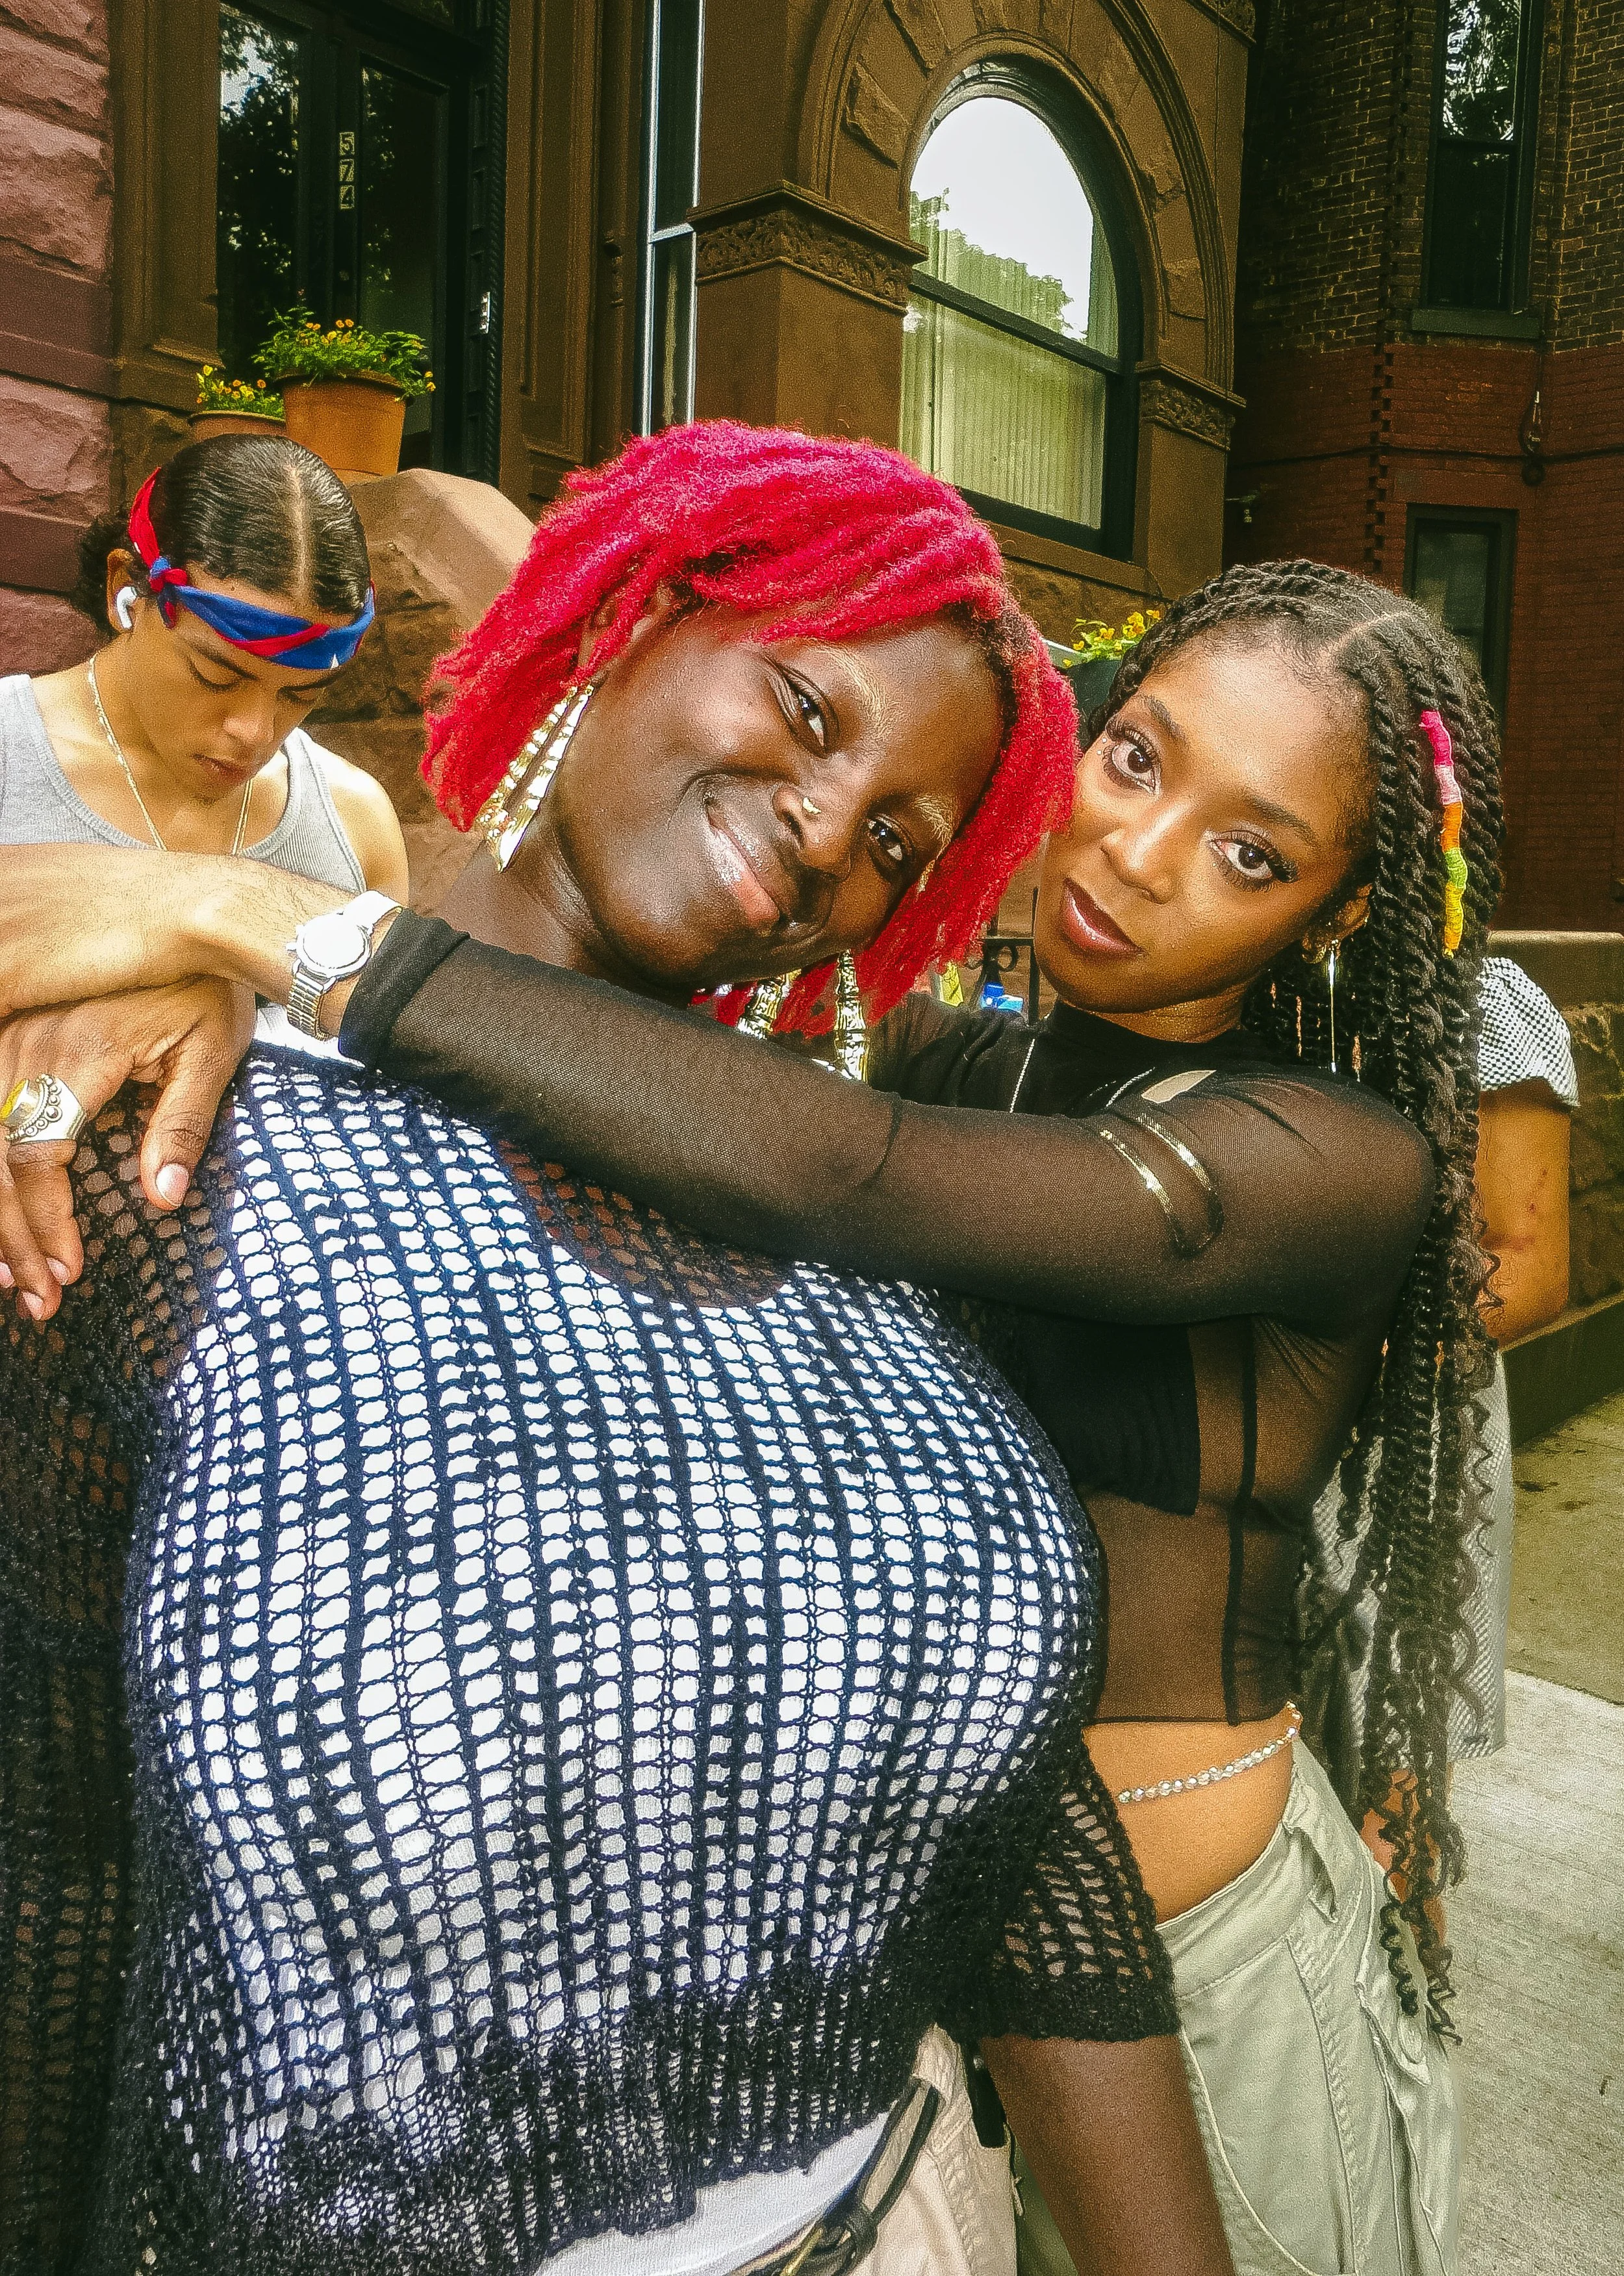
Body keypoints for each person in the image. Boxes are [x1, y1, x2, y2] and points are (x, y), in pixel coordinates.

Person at [0, 556, 1499, 2275]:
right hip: (899, 1940)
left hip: (1198, 1946)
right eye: (1138, 758)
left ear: (1331, 911)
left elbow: (833, 1166)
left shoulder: (1330, 1158)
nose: (1135, 856)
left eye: (1253, 851)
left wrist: (248, 919)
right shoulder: (962, 1057)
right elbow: (670, 1080)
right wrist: (172, 974)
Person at [1304, 953, 1575, 1815]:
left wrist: (1308, 1346)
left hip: (1398, 1453)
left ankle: (1404, 1948)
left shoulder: (1476, 1006)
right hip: (1231, 1463)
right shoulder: (1239, 966)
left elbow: (1529, 1269)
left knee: (1390, 1802)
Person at [3, 431, 407, 912]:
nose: (255, 733)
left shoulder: (357, 828)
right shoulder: (10, 761)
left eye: (300, 696)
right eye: (216, 676)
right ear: (124, 591)